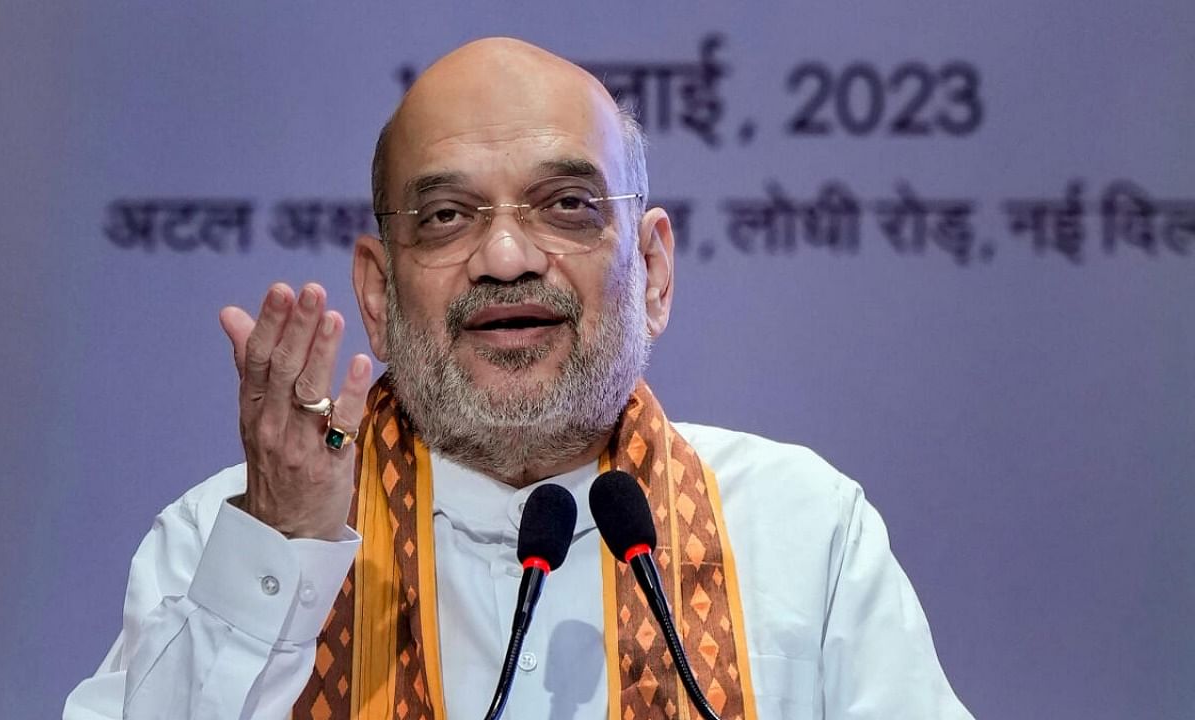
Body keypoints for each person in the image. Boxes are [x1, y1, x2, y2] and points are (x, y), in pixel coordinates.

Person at [65, 38, 973, 719]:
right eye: (448, 215)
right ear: (378, 294)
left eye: (568, 206)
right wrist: (283, 553)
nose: (504, 256)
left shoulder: (804, 534)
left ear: (653, 273)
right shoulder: (221, 542)